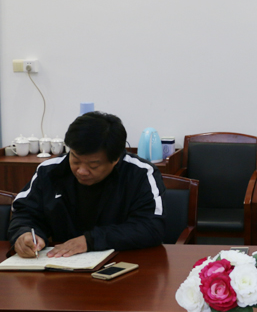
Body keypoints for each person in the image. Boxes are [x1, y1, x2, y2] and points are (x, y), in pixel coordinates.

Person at [9, 111, 166, 258]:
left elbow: (151, 227)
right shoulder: (50, 171)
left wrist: (91, 240)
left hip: (125, 263)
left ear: (116, 159)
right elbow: (24, 212)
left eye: (93, 165)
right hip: (61, 264)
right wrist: (25, 234)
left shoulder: (140, 174)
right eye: (75, 160)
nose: (82, 171)